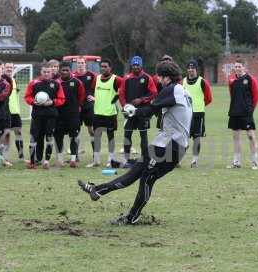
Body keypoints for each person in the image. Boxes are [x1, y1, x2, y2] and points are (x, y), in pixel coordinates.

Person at [78, 61, 192, 225]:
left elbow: (150, 110)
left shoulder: (171, 90)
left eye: (159, 77)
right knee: (137, 171)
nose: (158, 80)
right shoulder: (181, 91)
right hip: (166, 143)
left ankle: (132, 217)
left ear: (166, 77)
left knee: (147, 177)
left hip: (171, 146)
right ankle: (98, 190)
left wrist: (134, 112)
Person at [24, 63, 65, 169]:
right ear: (41, 72)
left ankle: (46, 161)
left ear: (51, 72)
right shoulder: (34, 83)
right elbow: (27, 97)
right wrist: (33, 101)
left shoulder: (56, 84)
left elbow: (62, 99)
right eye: (44, 72)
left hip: (51, 116)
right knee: (35, 138)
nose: (46, 74)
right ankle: (33, 161)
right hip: (37, 115)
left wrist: (52, 102)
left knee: (49, 137)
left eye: (48, 72)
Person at [119, 56, 157, 166]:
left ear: (141, 65)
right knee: (127, 135)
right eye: (134, 65)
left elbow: (153, 93)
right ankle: (126, 159)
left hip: (143, 111)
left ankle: (145, 159)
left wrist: (141, 100)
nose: (136, 67)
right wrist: (125, 106)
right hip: (129, 112)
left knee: (143, 135)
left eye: (138, 65)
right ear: (131, 65)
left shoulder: (147, 78)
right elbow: (121, 94)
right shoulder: (126, 78)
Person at [88, 58, 122, 168]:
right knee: (97, 136)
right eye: (101, 66)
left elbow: (124, 88)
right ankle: (96, 160)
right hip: (97, 113)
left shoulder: (116, 79)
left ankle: (110, 160)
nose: (103, 68)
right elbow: (91, 91)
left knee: (110, 137)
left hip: (110, 114)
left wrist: (117, 97)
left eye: (105, 66)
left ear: (110, 68)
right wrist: (92, 97)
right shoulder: (96, 78)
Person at [227, 58, 258, 170]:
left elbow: (256, 96)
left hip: (246, 113)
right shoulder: (231, 80)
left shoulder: (250, 79)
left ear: (244, 67)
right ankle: (237, 162)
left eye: (239, 66)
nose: (237, 68)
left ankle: (255, 162)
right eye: (236, 66)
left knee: (251, 136)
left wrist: (250, 109)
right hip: (234, 112)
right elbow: (232, 95)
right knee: (236, 137)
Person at [54, 61, 85, 168]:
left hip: (73, 114)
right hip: (59, 115)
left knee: (73, 136)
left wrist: (77, 107)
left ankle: (73, 159)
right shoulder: (55, 83)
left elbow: (81, 96)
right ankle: (60, 158)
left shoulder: (77, 82)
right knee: (58, 137)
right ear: (59, 71)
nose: (65, 72)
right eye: (63, 70)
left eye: (67, 70)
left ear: (70, 70)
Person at [183, 59, 213, 168]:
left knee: (196, 138)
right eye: (189, 68)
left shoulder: (202, 82)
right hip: (186, 114)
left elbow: (209, 98)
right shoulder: (183, 81)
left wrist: (200, 105)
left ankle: (194, 161)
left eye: (193, 68)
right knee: (183, 138)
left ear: (196, 69)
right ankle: (178, 160)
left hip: (198, 114)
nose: (190, 70)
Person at [73, 56, 97, 160]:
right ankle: (76, 155)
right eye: (78, 63)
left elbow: (99, 88)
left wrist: (95, 97)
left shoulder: (92, 75)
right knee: (76, 131)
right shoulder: (72, 76)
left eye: (82, 63)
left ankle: (95, 155)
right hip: (77, 107)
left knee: (91, 130)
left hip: (88, 107)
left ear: (85, 64)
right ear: (76, 64)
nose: (80, 64)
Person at [2, 62, 24, 161]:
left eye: (11, 67)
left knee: (18, 132)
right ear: (4, 68)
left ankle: (21, 156)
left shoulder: (15, 80)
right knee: (6, 134)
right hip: (5, 112)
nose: (9, 69)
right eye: (7, 67)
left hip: (15, 112)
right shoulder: (1, 80)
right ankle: (5, 157)